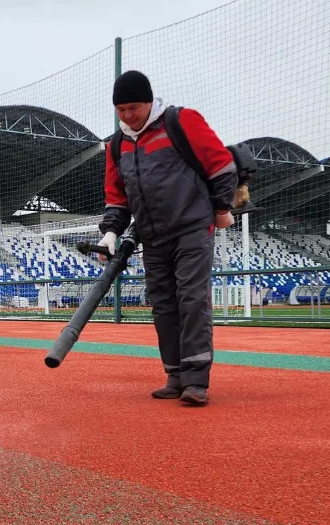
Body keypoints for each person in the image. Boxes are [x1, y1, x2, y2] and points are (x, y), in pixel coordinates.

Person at [97, 70, 238, 406]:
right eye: (121, 109)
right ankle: (174, 375)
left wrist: (218, 209)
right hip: (153, 237)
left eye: (134, 107)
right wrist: (111, 232)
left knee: (191, 300)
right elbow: (117, 196)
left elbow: (222, 166)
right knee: (163, 306)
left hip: (191, 227)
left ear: (149, 102)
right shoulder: (117, 146)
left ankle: (196, 380)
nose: (128, 115)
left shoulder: (181, 121)